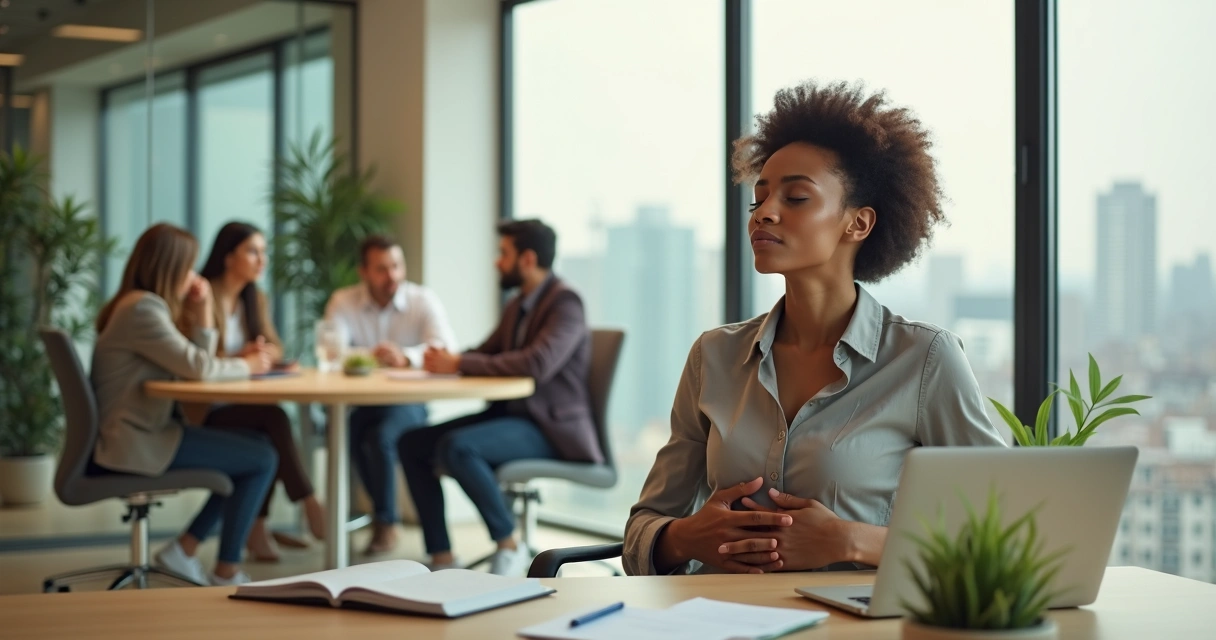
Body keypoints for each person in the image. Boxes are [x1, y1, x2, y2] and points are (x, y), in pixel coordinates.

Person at [623, 80, 1007, 577]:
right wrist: (687, 536)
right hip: (714, 612)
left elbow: (1001, 534)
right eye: (758, 200)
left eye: (797, 197)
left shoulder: (925, 360)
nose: (764, 213)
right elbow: (642, 532)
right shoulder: (713, 355)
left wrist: (849, 540)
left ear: (858, 223)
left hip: (849, 617)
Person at [400, 219, 600, 577]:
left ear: (527, 259)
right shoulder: (518, 304)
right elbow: (487, 351)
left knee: (458, 448)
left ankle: (510, 543)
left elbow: (537, 363)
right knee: (412, 443)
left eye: (503, 253)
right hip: (510, 415)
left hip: (549, 427)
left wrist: (459, 363)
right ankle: (442, 556)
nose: (496, 261)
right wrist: (444, 361)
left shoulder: (565, 302)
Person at [91, 223, 277, 586]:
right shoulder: (144, 309)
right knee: (262, 458)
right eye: (189, 267)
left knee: (258, 447)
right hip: (135, 441)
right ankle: (224, 570)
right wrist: (249, 365)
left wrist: (203, 309)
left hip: (141, 433)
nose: (195, 276)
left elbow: (194, 369)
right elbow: (200, 368)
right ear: (170, 268)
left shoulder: (137, 305)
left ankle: (189, 551)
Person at [196, 221, 325, 562]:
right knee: (274, 419)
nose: (262, 260)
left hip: (245, 405)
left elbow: (276, 346)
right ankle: (308, 501)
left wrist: (262, 352)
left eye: (264, 252)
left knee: (269, 433)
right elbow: (195, 358)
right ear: (228, 257)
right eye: (253, 252)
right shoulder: (202, 295)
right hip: (206, 409)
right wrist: (238, 359)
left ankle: (259, 527)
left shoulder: (256, 298)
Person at [324, 234, 457, 554]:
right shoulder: (344, 301)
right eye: (382, 269)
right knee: (349, 435)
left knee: (380, 437)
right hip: (361, 405)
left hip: (407, 402)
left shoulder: (422, 300)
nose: (392, 275)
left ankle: (386, 522)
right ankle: (381, 521)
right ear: (364, 272)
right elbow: (331, 352)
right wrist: (372, 356)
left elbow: (446, 348)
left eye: (397, 266)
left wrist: (406, 356)